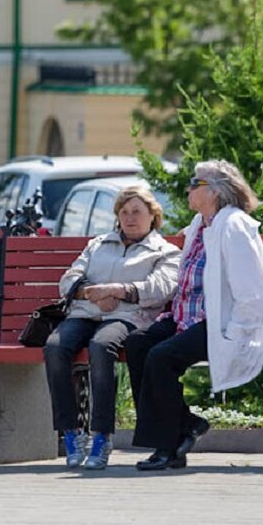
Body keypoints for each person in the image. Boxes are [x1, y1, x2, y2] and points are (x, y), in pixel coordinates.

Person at [126, 160, 263, 471]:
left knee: (161, 358)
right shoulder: (201, 225)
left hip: (217, 323)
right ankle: (187, 424)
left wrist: (235, 333)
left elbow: (253, 291)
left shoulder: (234, 227)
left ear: (216, 192)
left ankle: (168, 447)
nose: (188, 188)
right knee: (137, 344)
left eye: (196, 183)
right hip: (185, 319)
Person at [47, 185, 180, 470]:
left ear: (152, 216)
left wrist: (118, 291)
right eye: (124, 212)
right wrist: (90, 293)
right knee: (55, 347)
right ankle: (70, 432)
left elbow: (161, 289)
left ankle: (101, 436)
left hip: (127, 316)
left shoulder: (165, 252)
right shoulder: (98, 244)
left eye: (136, 212)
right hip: (84, 311)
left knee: (101, 346)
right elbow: (68, 279)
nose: (130, 218)